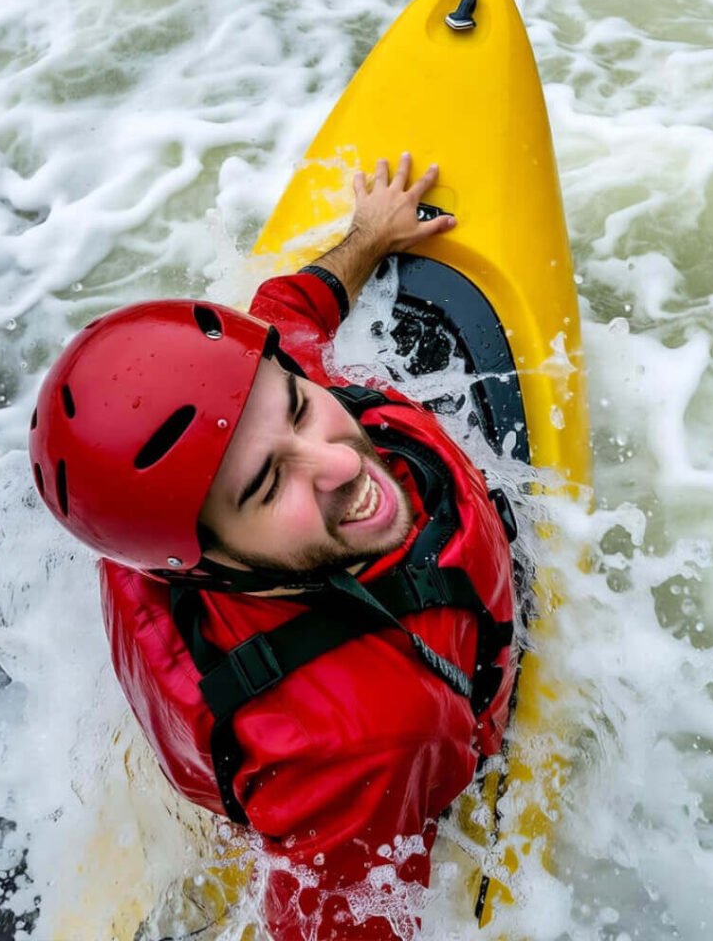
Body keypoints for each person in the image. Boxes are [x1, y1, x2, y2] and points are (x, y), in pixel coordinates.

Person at [29, 154, 519, 940]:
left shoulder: (169, 506)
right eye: (266, 487)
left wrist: (367, 235)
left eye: (297, 405)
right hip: (382, 755)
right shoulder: (370, 742)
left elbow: (286, 310)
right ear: (200, 563)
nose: (339, 460)